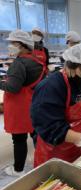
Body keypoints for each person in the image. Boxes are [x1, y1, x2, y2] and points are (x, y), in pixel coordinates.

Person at [2, 30, 45, 176]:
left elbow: (13, 88)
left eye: (12, 43)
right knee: (36, 136)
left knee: (19, 140)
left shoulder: (18, 64)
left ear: (22, 45)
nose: (10, 46)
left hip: (19, 109)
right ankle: (42, 162)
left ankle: (18, 170)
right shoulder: (36, 62)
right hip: (34, 105)